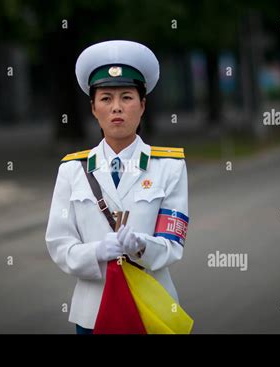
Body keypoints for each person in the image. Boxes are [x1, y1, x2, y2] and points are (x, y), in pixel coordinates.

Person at [45, 40, 189, 334]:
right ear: (93, 108)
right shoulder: (72, 170)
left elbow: (173, 245)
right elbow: (59, 244)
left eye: (127, 97)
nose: (117, 108)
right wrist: (97, 251)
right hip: (93, 312)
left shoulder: (169, 166)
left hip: (152, 308)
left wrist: (141, 246)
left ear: (143, 105)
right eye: (106, 99)